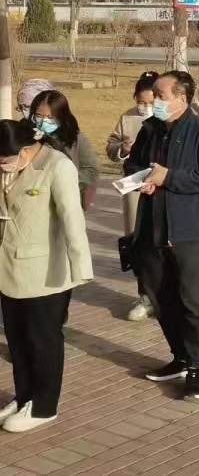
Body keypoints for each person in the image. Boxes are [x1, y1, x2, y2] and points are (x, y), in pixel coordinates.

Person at [126, 71, 199, 401]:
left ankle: (196, 367)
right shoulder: (151, 128)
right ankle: (180, 356)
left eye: (160, 96)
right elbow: (134, 165)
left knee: (193, 299)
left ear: (181, 99)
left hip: (189, 229)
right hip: (153, 226)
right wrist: (141, 179)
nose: (153, 101)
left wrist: (168, 178)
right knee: (159, 295)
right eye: (153, 95)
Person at [0, 120, 92, 433]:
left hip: (45, 273)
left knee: (43, 341)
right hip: (8, 268)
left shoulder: (57, 166)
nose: (3, 165)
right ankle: (24, 396)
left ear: (26, 149)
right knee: (18, 340)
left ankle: (43, 406)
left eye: (5, 159)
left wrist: (81, 267)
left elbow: (72, 218)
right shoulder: (10, 164)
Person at [105, 71, 159, 321]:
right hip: (135, 188)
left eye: (151, 102)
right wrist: (123, 149)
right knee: (137, 241)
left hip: (164, 188)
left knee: (163, 243)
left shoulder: (174, 117)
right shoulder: (127, 118)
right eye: (141, 102)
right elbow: (111, 146)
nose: (145, 107)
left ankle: (167, 296)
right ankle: (145, 296)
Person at [29, 91, 99, 212]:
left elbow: (91, 169)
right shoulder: (25, 136)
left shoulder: (76, 138)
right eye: (39, 115)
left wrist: (65, 180)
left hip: (66, 202)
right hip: (32, 202)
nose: (44, 121)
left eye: (50, 117)